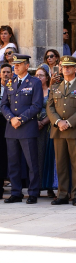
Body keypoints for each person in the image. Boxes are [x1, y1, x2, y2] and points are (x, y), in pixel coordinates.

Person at [46, 56, 76, 206]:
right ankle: (62, 194)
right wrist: (59, 122)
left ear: (75, 69)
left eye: (69, 67)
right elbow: (50, 107)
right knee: (61, 164)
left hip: (75, 130)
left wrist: (68, 122)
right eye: (63, 67)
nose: (65, 69)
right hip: (59, 130)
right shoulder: (54, 87)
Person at [0, 54, 42, 204]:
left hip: (27, 127)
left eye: (19, 64)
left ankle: (33, 192)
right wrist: (11, 118)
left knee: (31, 162)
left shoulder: (34, 82)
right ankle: (16, 192)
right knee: (13, 163)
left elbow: (37, 105)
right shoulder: (10, 82)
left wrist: (21, 119)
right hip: (11, 128)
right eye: (14, 64)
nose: (15, 66)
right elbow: (3, 104)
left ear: (26, 65)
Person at [34, 66, 55, 198]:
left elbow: (54, 109)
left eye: (41, 75)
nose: (38, 77)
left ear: (47, 78)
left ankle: (49, 186)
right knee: (35, 157)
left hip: (47, 127)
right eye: (36, 75)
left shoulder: (51, 91)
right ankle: (36, 186)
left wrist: (43, 122)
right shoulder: (32, 91)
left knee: (47, 156)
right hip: (33, 127)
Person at [0, 63, 12, 198]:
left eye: (8, 72)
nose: (6, 74)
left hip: (9, 122)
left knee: (7, 156)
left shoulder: (13, 87)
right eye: (3, 72)